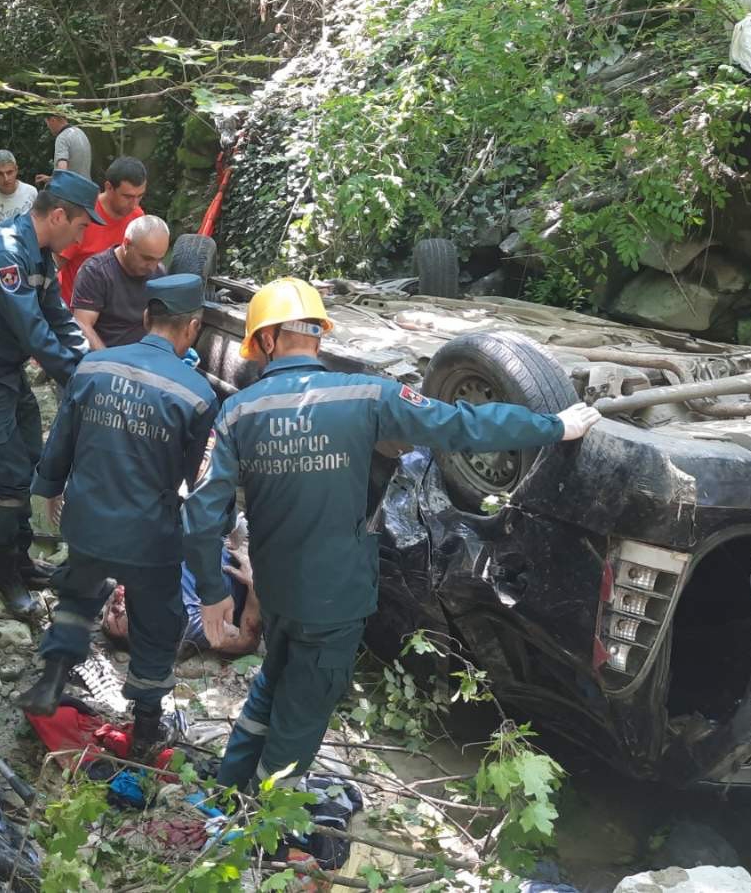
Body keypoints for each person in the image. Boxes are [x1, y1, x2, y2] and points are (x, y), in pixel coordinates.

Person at [180, 278, 603, 789]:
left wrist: (212, 595)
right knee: (303, 712)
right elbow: (463, 425)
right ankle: (266, 813)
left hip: (276, 591)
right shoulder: (368, 395)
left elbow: (201, 514)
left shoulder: (238, 411)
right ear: (317, 333)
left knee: (274, 681)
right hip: (335, 599)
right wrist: (555, 425)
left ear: (266, 339)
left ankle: (230, 786)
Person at [17, 273, 219, 760]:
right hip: (149, 534)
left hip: (87, 519)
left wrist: (49, 489)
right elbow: (189, 476)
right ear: (192, 327)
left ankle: (52, 678)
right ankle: (146, 725)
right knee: (157, 620)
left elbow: (61, 438)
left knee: (78, 591)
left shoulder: (93, 365)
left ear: (147, 317)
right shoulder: (198, 394)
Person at [0, 170, 101, 616]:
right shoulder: (4, 253)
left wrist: (92, 365)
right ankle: (2, 571)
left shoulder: (39, 254)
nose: (82, 237)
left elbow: (58, 318)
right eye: (81, 226)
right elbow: (33, 332)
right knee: (9, 476)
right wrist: (79, 380)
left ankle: (21, 559)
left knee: (29, 459)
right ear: (59, 216)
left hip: (6, 374)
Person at [103, 517, 262, 658]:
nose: (119, 599)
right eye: (119, 613)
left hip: (227, 523)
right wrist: (255, 586)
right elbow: (246, 641)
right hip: (259, 557)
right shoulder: (187, 621)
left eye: (112, 605)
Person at [55, 157, 147, 304]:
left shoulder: (137, 218)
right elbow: (54, 266)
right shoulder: (82, 216)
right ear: (109, 187)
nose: (134, 204)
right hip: (75, 307)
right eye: (127, 197)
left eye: (139, 196)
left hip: (115, 307)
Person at [70, 214, 170, 349]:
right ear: (127, 244)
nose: (152, 267)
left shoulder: (159, 273)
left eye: (159, 259)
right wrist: (107, 358)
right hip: (105, 352)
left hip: (145, 354)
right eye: (147, 258)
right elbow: (83, 324)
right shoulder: (96, 272)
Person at [34, 115, 92, 184]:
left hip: (71, 188)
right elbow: (77, 172)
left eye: (47, 124)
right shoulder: (80, 133)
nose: (48, 127)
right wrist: (50, 179)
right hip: (86, 186)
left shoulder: (62, 137)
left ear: (53, 120)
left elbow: (62, 171)